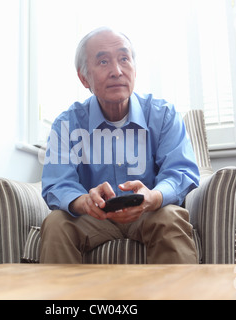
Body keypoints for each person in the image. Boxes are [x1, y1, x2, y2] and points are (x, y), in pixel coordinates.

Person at [40, 27, 200, 264]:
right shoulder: (67, 123)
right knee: (56, 223)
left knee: (171, 218)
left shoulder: (163, 115)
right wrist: (83, 201)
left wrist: (152, 197)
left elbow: (180, 172)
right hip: (93, 218)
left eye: (124, 59)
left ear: (134, 68)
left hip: (150, 213)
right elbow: (57, 182)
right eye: (103, 62)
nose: (117, 71)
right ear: (84, 78)